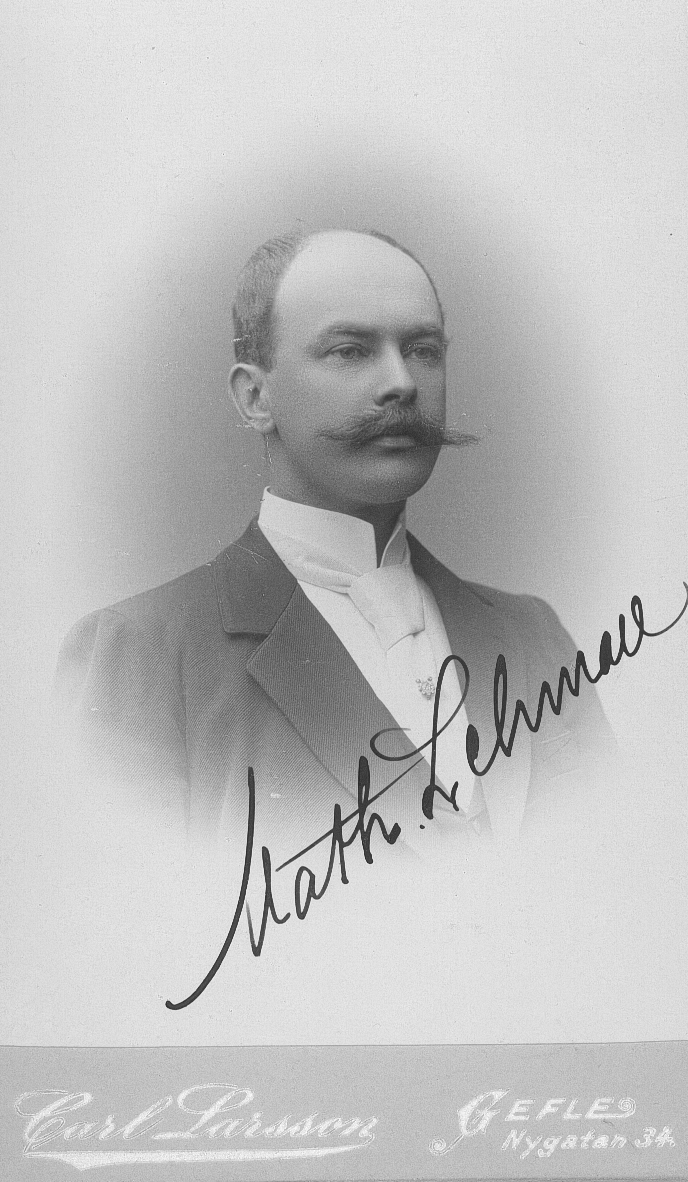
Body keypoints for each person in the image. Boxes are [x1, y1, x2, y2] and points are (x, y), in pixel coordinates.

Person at [55, 229, 615, 869]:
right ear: (255, 397)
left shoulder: (534, 638)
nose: (402, 382)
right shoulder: (143, 654)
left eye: (423, 350)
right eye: (350, 351)